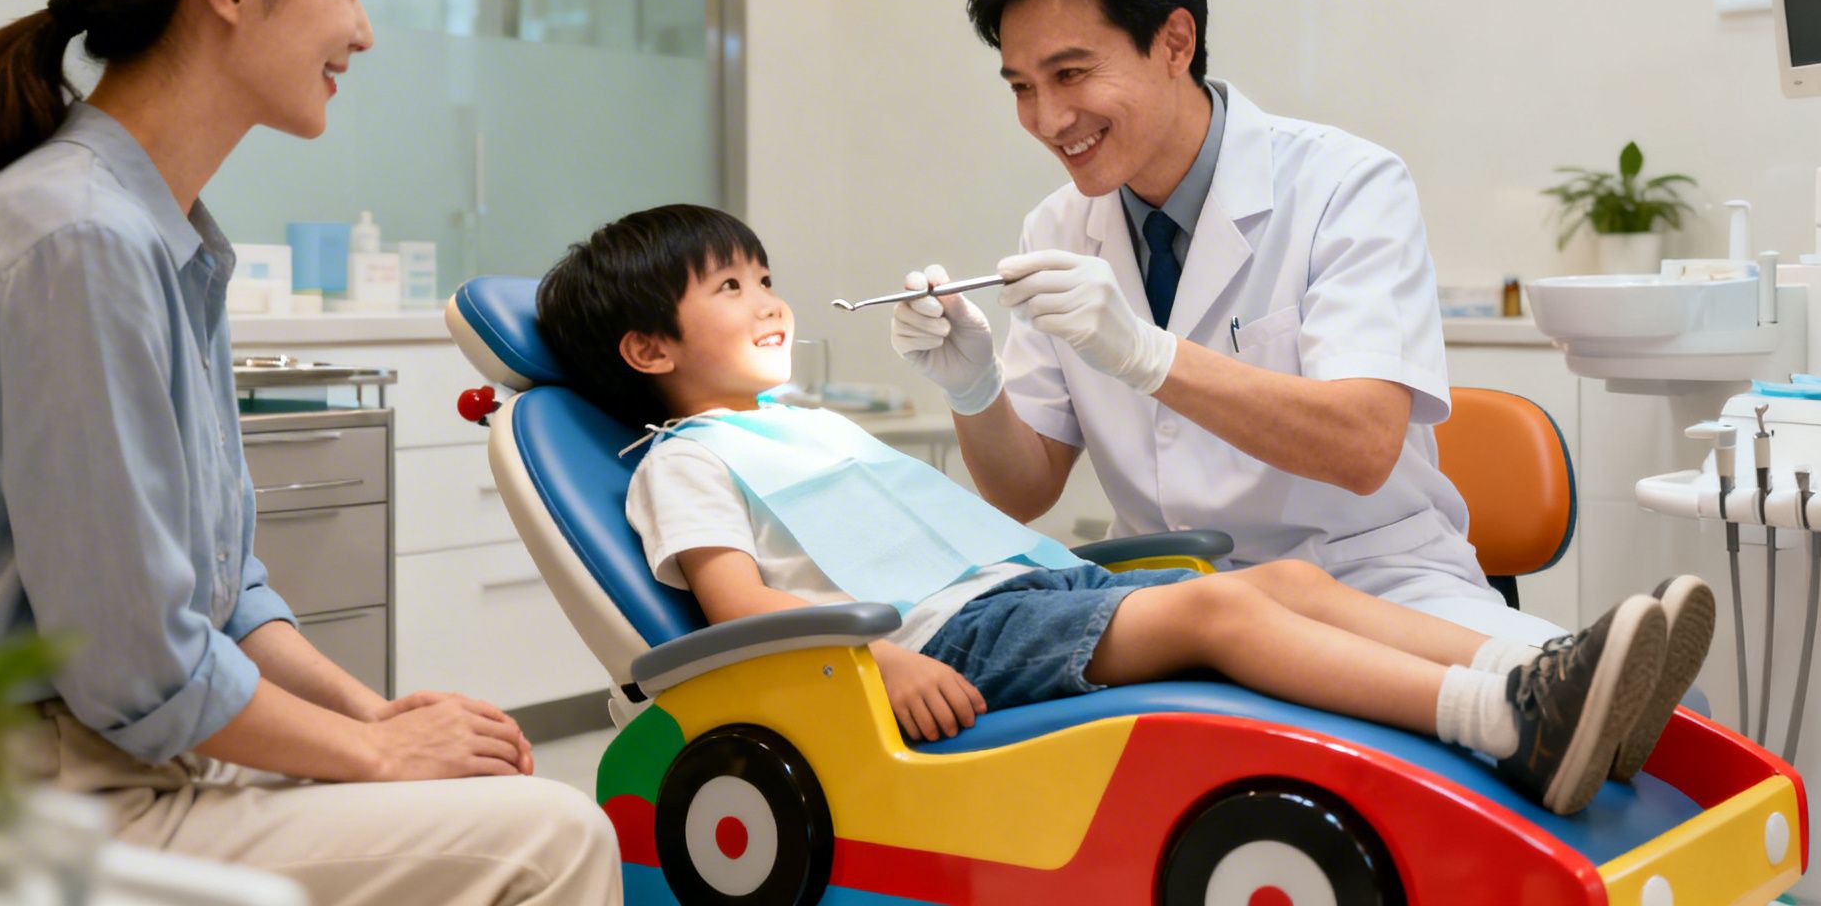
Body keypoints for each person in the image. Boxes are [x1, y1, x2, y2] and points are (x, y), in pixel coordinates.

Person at [535, 203, 1717, 817]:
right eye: (728, 288)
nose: (769, 300)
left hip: (1027, 596)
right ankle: (1500, 715)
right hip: (946, 645)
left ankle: (1557, 671)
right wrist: (876, 666)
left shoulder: (814, 430)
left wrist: (970, 387)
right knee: (1221, 624)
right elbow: (737, 612)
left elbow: (974, 520)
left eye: (763, 275)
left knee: (1289, 586)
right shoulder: (681, 460)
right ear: (645, 348)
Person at [0, 0, 617, 904]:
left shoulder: (162, 236)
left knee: (492, 794)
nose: (364, 32)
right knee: (552, 836)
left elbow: (224, 598)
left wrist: (376, 716)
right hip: (58, 794)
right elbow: (137, 663)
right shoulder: (80, 238)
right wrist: (376, 758)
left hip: (132, 758)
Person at [889, 0, 1566, 649]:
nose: (1048, 119)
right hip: (1167, 599)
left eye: (1070, 73)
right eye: (1021, 87)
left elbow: (1363, 446)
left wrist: (1149, 356)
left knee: (1551, 724)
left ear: (1175, 42)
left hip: (1370, 584)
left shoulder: (1346, 184)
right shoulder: (1056, 227)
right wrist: (972, 387)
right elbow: (1022, 490)